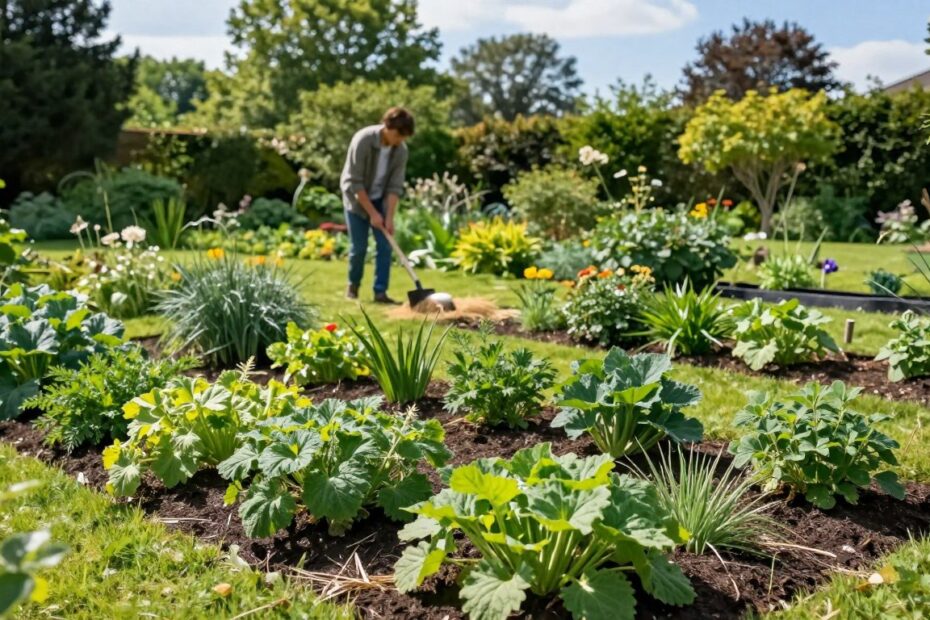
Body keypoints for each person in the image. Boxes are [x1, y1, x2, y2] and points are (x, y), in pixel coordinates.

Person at [340, 107, 414, 303]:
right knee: (359, 246)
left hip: (380, 199)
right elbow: (354, 182)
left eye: (404, 137)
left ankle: (380, 292)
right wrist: (372, 213)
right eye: (398, 135)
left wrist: (388, 217)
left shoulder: (400, 151)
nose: (400, 140)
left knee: (385, 245)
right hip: (356, 199)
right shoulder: (363, 140)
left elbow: (394, 186)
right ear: (387, 126)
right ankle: (353, 286)